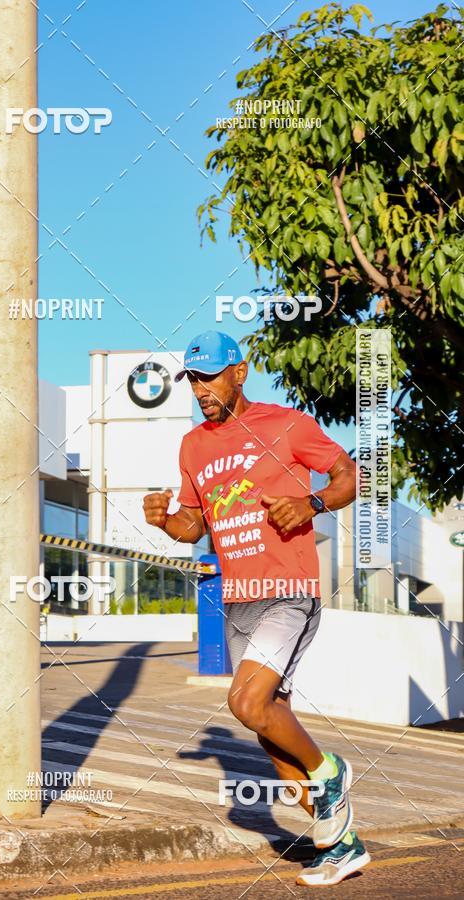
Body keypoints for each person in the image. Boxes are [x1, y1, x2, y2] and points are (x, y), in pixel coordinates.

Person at [143, 330, 370, 887]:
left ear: (238, 372)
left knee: (246, 701)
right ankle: (342, 846)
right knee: (276, 745)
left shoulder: (287, 425)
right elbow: (195, 524)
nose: (200, 389)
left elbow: (349, 476)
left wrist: (310, 502)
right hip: (238, 596)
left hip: (289, 589)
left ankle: (331, 773)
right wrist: (164, 521)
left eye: (209, 376)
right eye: (192, 379)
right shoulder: (194, 446)